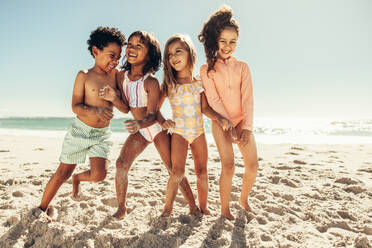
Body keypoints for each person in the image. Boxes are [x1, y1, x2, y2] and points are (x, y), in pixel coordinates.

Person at [99, 31, 199, 220]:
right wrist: (113, 97)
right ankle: (122, 208)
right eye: (130, 44)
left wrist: (139, 123)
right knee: (121, 164)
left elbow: (153, 115)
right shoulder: (122, 77)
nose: (132, 48)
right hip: (141, 131)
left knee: (173, 169)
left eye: (139, 45)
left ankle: (193, 206)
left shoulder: (151, 82)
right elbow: (126, 107)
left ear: (150, 54)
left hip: (155, 129)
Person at [38, 27, 126, 221]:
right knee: (63, 172)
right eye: (112, 55)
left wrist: (115, 97)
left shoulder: (116, 77)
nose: (115, 61)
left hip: (101, 134)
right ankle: (42, 208)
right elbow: (75, 106)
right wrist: (96, 111)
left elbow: (124, 107)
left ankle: (78, 179)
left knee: (99, 175)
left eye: (118, 57)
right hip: (80, 131)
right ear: (96, 51)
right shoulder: (84, 75)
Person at [157, 34, 234, 217]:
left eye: (178, 51)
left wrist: (220, 118)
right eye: (169, 54)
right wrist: (162, 121)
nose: (173, 57)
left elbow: (205, 108)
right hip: (179, 132)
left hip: (198, 131)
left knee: (202, 171)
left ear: (190, 53)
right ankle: (168, 207)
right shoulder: (169, 84)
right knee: (177, 172)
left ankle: (203, 206)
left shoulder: (199, 82)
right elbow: (155, 110)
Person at [198, 5, 259, 220]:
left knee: (252, 165)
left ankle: (243, 199)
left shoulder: (243, 67)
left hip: (241, 120)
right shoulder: (206, 70)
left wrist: (247, 128)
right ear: (215, 40)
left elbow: (248, 99)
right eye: (223, 41)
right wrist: (226, 123)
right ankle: (225, 209)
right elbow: (213, 99)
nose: (227, 46)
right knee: (229, 165)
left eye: (233, 42)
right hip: (220, 122)